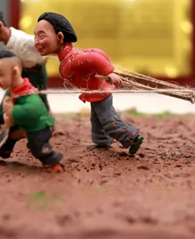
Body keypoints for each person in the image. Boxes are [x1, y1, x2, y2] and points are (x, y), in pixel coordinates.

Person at [33, 12, 144, 155]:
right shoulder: (69, 56)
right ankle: (102, 141)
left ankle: (133, 137)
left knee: (108, 120)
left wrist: (108, 72)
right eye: (35, 37)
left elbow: (94, 56)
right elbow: (96, 52)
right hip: (95, 93)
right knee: (96, 119)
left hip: (101, 93)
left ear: (59, 37)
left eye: (41, 37)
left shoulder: (73, 59)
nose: (36, 41)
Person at [0, 50, 63, 172]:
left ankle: (54, 162)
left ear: (15, 72)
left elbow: (33, 111)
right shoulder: (16, 90)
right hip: (22, 124)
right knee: (7, 136)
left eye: (0, 74)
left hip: (38, 126)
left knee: (38, 145)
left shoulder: (29, 94)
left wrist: (12, 111)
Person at [0, 9, 49, 127]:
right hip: (23, 71)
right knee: (12, 93)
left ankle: (45, 122)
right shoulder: (8, 43)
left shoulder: (23, 41)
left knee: (40, 97)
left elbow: (47, 45)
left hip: (36, 72)